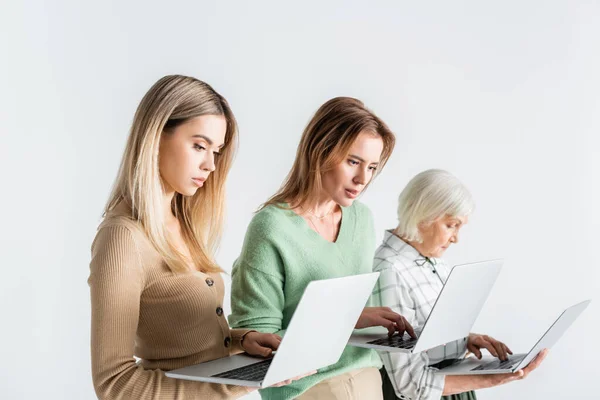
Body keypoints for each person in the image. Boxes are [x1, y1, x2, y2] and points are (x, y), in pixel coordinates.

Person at [88, 75, 295, 399]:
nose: (211, 164)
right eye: (199, 145)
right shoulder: (123, 239)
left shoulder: (183, 221)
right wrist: (233, 383)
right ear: (155, 136)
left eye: (216, 150)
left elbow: (183, 344)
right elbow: (114, 383)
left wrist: (241, 340)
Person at [229, 97, 415, 399]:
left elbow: (347, 321)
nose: (363, 179)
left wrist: (360, 317)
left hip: (368, 380)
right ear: (320, 151)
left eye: (371, 166)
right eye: (353, 162)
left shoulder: (361, 219)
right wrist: (347, 319)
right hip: (307, 388)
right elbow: (261, 344)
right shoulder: (272, 228)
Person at [374, 169, 548, 400]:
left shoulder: (433, 260)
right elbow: (409, 384)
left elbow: (423, 335)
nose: (456, 238)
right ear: (423, 215)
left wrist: (463, 339)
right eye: (451, 225)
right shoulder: (390, 271)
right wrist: (496, 378)